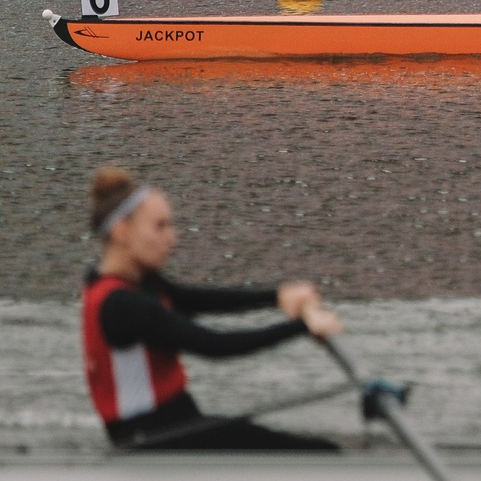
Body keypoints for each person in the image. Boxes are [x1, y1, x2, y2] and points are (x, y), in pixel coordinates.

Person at [79, 167, 345, 451]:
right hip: (151, 443)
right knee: (323, 452)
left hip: (176, 428)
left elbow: (194, 299)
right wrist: (302, 326)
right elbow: (214, 345)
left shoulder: (139, 282)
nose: (172, 237)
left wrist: (278, 296)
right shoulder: (122, 304)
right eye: (160, 226)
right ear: (122, 231)